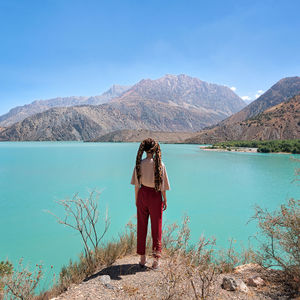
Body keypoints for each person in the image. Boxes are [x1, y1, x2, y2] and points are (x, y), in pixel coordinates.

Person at [131, 138, 170, 270]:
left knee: (142, 226)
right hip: (155, 196)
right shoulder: (160, 165)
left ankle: (142, 259)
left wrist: (137, 200)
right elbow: (163, 186)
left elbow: (136, 186)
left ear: (144, 150)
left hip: (142, 194)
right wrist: (164, 199)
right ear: (155, 150)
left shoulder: (139, 164)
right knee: (156, 228)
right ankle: (156, 261)